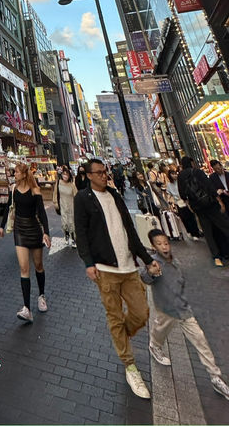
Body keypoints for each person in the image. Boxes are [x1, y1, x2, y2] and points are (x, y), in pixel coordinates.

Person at [74, 158, 161, 398]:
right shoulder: (83, 199)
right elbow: (81, 232)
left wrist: (145, 258)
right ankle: (129, 365)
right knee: (114, 315)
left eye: (105, 172)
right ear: (89, 175)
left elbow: (130, 230)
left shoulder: (114, 195)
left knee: (141, 312)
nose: (104, 176)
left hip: (128, 266)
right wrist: (88, 263)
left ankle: (120, 335)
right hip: (105, 269)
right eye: (99, 173)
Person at [141, 229, 229, 400]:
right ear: (153, 246)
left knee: (200, 339)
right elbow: (145, 277)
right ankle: (154, 346)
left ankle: (215, 376)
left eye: (166, 242)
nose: (164, 247)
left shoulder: (176, 261)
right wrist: (151, 273)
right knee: (160, 329)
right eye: (159, 244)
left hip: (183, 309)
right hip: (166, 309)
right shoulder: (154, 263)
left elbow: (180, 281)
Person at [0, 161, 51, 323]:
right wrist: (1, 226)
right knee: (23, 267)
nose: (14, 174)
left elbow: (41, 212)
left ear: (23, 174)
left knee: (38, 265)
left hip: (34, 229)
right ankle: (26, 308)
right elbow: (9, 207)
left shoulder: (35, 190)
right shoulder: (13, 190)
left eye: (16, 172)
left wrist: (46, 232)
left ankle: (41, 296)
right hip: (19, 230)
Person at [178, 156, 229, 266]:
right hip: (210, 204)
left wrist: (190, 206)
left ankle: (216, 257)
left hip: (198, 208)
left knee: (208, 232)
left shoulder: (180, 176)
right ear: (191, 163)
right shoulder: (198, 172)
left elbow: (182, 194)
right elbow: (210, 187)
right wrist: (220, 202)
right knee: (225, 225)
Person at [164, 168, 202, 239]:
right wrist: (169, 201)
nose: (174, 175)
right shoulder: (169, 184)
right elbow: (168, 193)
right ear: (169, 175)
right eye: (172, 174)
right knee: (184, 218)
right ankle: (190, 231)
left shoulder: (180, 181)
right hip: (178, 203)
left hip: (185, 201)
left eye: (175, 173)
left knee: (191, 216)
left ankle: (195, 232)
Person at [52, 165, 77, 246]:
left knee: (72, 223)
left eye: (66, 174)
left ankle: (73, 239)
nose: (65, 176)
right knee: (65, 222)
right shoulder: (58, 183)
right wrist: (55, 203)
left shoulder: (72, 185)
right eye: (63, 174)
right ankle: (66, 236)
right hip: (62, 206)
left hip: (71, 206)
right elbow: (55, 194)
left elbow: (76, 195)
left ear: (69, 176)